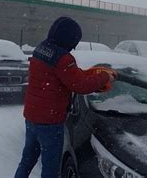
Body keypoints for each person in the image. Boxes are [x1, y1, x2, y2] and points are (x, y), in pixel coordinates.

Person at [14, 17, 115, 178]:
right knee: (51, 169)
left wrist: (84, 73)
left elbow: (63, 76)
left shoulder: (40, 49)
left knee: (27, 161)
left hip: (32, 118)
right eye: (74, 42)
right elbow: (80, 86)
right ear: (69, 39)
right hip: (50, 123)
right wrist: (104, 77)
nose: (73, 48)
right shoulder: (63, 59)